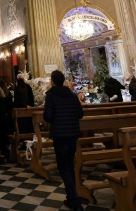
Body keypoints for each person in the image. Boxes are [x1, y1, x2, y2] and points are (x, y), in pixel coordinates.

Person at [44, 70, 84, 211]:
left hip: (60, 135)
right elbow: (80, 113)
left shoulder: (51, 96)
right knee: (69, 165)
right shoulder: (72, 95)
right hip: (72, 134)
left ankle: (74, 200)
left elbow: (48, 116)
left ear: (53, 81)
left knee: (63, 167)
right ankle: (71, 197)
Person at [13, 73, 35, 139]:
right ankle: (30, 139)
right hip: (28, 109)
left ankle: (24, 140)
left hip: (20, 110)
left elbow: (17, 100)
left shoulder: (17, 88)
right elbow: (31, 98)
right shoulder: (27, 86)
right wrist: (30, 106)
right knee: (28, 125)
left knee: (22, 126)